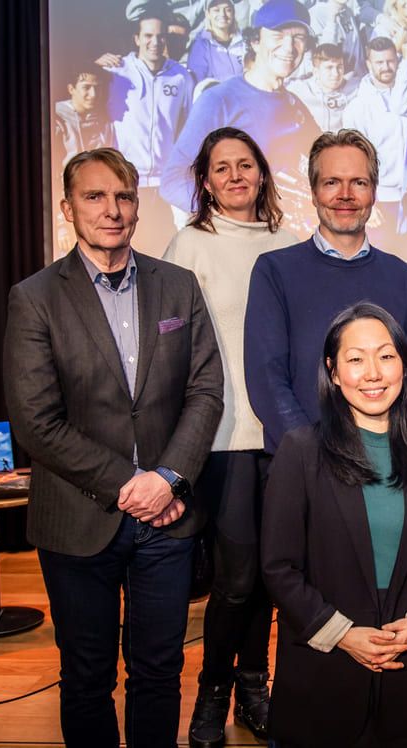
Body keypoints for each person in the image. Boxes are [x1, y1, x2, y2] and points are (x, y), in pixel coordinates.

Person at [2, 147, 223, 748]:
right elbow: (36, 421)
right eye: (95, 196)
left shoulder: (177, 286)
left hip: (168, 520)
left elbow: (206, 392)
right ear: (68, 206)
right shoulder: (36, 298)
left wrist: (169, 477)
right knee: (86, 678)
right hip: (78, 518)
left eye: (123, 196)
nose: (112, 209)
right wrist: (135, 485)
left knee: (158, 674)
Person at [260, 302, 407, 747]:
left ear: (404, 367)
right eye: (355, 358)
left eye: (386, 356)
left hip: (401, 677)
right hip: (322, 677)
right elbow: (278, 568)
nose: (373, 373)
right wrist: (343, 634)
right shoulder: (301, 452)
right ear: (332, 371)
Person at [162, 128, 298, 747]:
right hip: (224, 437)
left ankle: (254, 684)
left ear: (263, 174)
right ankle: (212, 693)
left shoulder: (290, 243)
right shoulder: (189, 245)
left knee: (271, 576)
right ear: (206, 181)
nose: (236, 176)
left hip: (284, 435)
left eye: (246, 165)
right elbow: (168, 350)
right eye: (222, 168)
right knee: (237, 577)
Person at [244, 129, 407, 456]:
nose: (345, 195)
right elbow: (267, 379)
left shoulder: (404, 278)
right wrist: (314, 458)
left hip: (388, 470)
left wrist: (398, 454)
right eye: (332, 182)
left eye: (359, 183)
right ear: (314, 191)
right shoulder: (274, 272)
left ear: (374, 192)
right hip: (303, 469)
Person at [160, 0, 320, 216]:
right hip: (242, 242)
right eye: (278, 35)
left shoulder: (294, 104)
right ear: (255, 41)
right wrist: (228, 214)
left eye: (298, 37)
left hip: (287, 238)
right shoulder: (219, 100)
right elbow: (173, 181)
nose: (289, 47)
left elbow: (326, 159)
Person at [98, 11, 194, 237]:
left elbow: (189, 126)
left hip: (165, 183)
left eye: (160, 36)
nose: (155, 42)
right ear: (137, 39)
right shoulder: (117, 70)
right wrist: (95, 63)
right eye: (148, 35)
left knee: (166, 249)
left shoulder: (181, 76)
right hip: (126, 180)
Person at [343, 38, 407, 242]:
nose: (386, 67)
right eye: (379, 62)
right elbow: (352, 162)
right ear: (368, 64)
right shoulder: (357, 108)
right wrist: (365, 202)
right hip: (380, 199)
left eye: (391, 61)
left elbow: (402, 104)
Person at [288, 44, 361, 132]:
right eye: (329, 68)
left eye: (339, 67)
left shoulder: (356, 87)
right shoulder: (300, 89)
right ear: (316, 71)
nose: (336, 73)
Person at [54, 68, 116, 168]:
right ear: (71, 89)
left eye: (97, 87)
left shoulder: (105, 120)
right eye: (86, 87)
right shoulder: (56, 118)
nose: (93, 94)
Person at [186, 0, 248, 83]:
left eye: (228, 10)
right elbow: (198, 82)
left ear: (233, 13)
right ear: (208, 14)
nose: (222, 14)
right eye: (216, 10)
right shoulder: (201, 45)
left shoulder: (245, 40)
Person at [309, 0, 367, 78]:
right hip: (339, 82)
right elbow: (323, 56)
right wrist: (331, 19)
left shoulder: (347, 10)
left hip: (360, 79)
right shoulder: (316, 14)